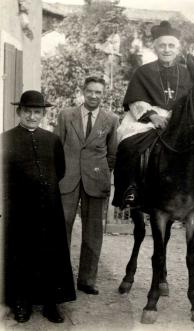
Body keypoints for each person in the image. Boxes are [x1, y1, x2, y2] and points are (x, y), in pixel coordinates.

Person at [1, 90, 76, 323]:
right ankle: (21, 302)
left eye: (37, 112)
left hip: (49, 207)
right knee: (21, 254)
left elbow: (60, 170)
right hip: (19, 210)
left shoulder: (51, 140)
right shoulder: (5, 139)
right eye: (28, 112)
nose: (33, 117)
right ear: (19, 112)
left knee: (51, 253)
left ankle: (51, 303)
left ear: (43, 114)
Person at [112, 20, 192, 208]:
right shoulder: (143, 71)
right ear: (155, 47)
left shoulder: (187, 73)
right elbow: (135, 99)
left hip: (178, 119)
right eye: (162, 45)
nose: (166, 49)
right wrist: (153, 116)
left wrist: (176, 117)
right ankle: (130, 188)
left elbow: (193, 100)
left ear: (177, 48)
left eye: (171, 45)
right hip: (147, 118)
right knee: (128, 146)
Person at [56, 76, 119, 295]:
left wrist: (100, 172)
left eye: (98, 92)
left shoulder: (111, 119)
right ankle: (60, 279)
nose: (93, 95)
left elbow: (112, 154)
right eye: (90, 91)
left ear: (104, 94)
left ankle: (87, 280)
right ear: (83, 91)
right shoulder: (66, 115)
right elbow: (57, 148)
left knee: (93, 231)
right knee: (62, 227)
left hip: (95, 180)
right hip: (68, 180)